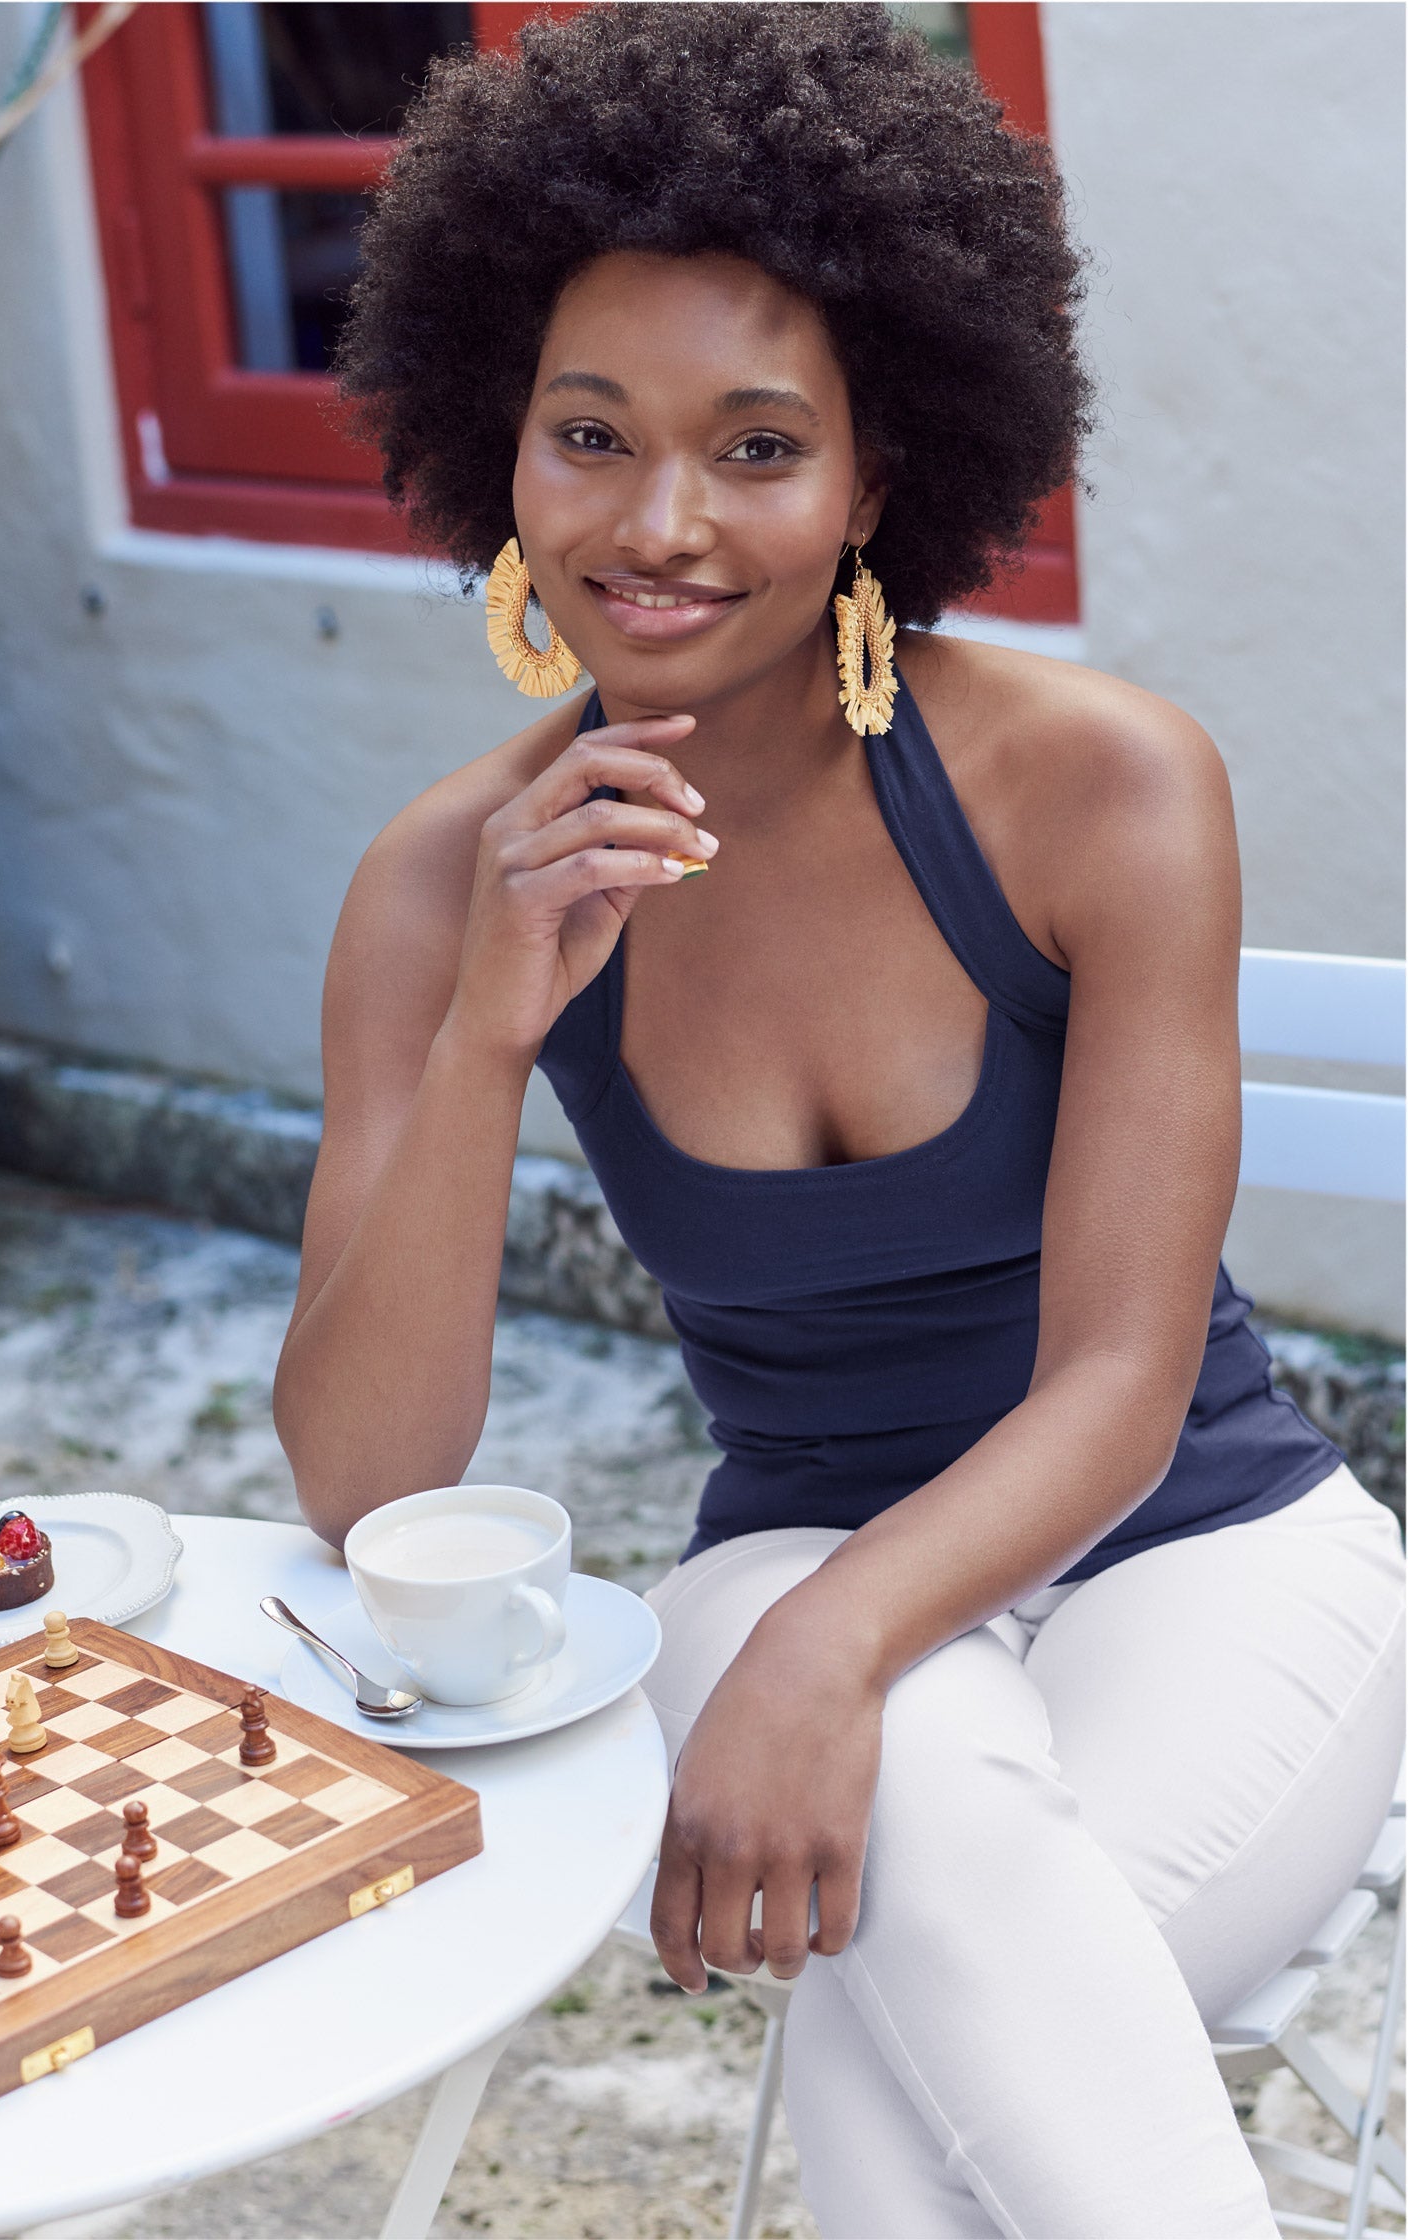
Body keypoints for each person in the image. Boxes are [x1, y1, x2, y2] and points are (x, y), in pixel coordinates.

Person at [273, 9, 1404, 2233]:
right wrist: (494, 1035)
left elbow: (1119, 1374)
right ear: (495, 445)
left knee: (904, 2107)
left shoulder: (1099, 789)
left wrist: (824, 1650)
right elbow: (361, 1481)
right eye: (588, 433)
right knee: (934, 1958)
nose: (660, 523)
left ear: (881, 475)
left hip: (1202, 1541)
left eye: (757, 446)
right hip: (784, 1545)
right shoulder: (441, 885)